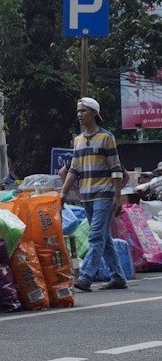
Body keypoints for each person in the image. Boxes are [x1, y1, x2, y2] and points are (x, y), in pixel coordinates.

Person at [61, 97, 127, 292]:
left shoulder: (107, 138)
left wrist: (117, 196)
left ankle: (86, 277)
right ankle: (118, 277)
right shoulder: (78, 140)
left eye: (83, 111)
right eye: (78, 111)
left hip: (104, 194)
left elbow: (116, 169)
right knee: (104, 238)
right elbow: (74, 170)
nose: (79, 114)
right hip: (87, 196)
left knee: (95, 236)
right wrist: (63, 193)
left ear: (93, 113)